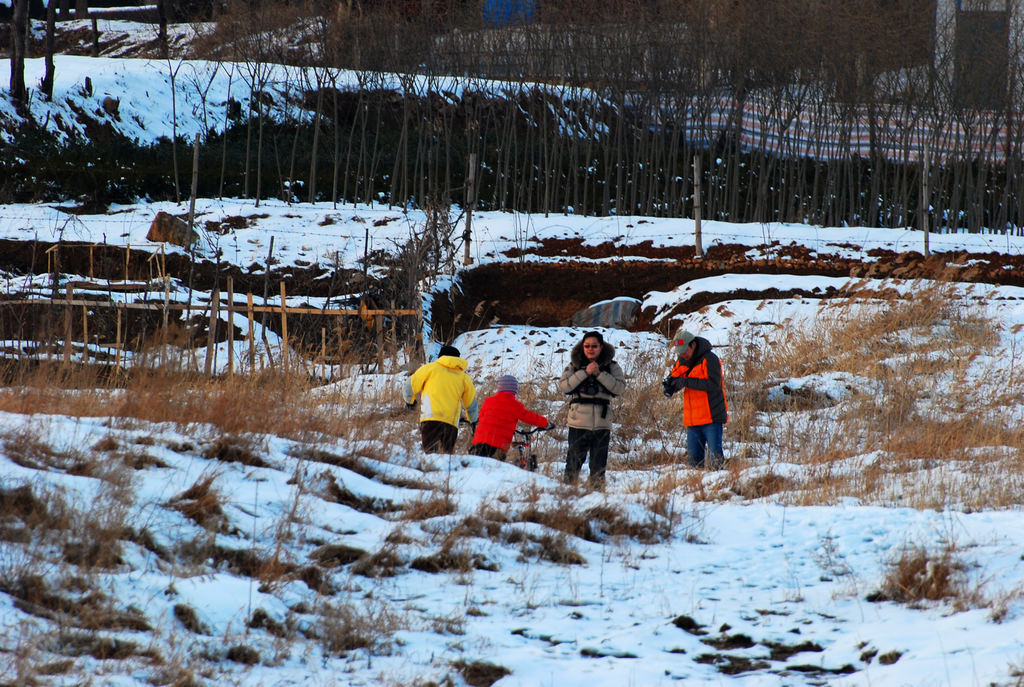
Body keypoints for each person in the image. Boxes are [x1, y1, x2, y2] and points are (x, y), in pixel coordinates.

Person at [557, 330, 627, 486]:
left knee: (598, 469)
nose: (590, 349)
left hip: (602, 424)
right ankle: (568, 496)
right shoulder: (574, 366)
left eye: (594, 346)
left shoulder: (612, 367)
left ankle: (597, 499)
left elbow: (619, 388)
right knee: (572, 467)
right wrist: (584, 372)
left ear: (601, 347)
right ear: (582, 347)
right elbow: (564, 386)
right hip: (578, 423)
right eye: (587, 346)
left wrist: (599, 374)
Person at [662, 328, 728, 469]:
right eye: (679, 351)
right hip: (692, 421)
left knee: (715, 464)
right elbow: (677, 377)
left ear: (693, 345)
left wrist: (686, 381)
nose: (682, 354)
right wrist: (672, 385)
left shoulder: (710, 359)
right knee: (693, 467)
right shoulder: (682, 361)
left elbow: (713, 384)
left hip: (711, 418)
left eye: (685, 350)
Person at [403, 344, 479, 453]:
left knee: (430, 454)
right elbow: (471, 404)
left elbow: (408, 387)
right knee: (446, 457)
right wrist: (473, 421)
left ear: (440, 356)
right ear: (458, 358)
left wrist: (410, 402)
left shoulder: (429, 369)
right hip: (451, 423)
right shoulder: (464, 377)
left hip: (430, 419)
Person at [469, 375, 550, 460]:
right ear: (515, 390)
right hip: (498, 446)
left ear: (499, 387)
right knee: (494, 470)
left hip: (479, 442)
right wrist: (545, 423)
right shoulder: (515, 405)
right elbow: (530, 417)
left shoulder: (488, 401)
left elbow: (481, 418)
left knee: (475, 468)